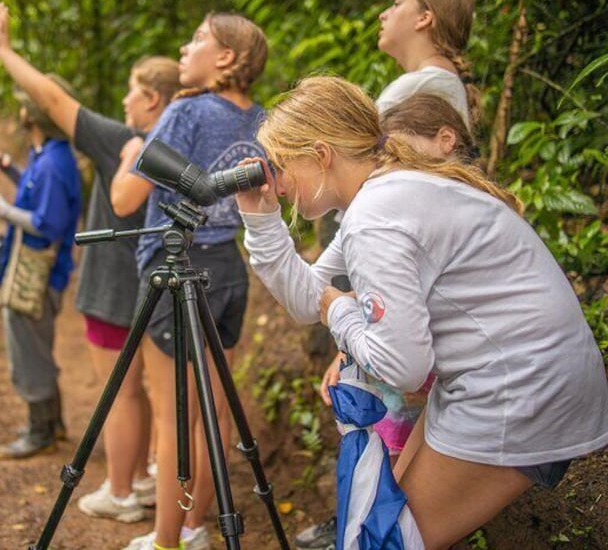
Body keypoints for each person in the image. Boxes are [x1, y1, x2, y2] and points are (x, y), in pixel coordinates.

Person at [237, 75, 608, 550]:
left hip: (521, 387)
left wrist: (342, 314)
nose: (281, 183)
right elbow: (310, 297)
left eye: (283, 166)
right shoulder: (389, 192)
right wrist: (263, 222)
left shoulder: (376, 218)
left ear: (322, 154)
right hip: (519, 375)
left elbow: (401, 366)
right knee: (385, 518)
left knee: (386, 540)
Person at [0, 3, 181, 521]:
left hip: (113, 286)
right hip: (158, 285)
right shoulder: (181, 144)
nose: (123, 99)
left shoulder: (125, 141)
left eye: (131, 90)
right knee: (139, 389)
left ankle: (120, 491)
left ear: (153, 98)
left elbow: (52, 98)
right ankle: (139, 479)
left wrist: (5, 51)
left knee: (118, 391)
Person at [110, 12, 268, 550]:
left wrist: (132, 154)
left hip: (174, 265)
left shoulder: (189, 111)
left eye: (198, 39)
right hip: (227, 266)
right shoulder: (263, 118)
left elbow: (125, 200)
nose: (184, 47)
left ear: (225, 58)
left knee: (173, 409)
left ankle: (164, 541)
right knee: (214, 408)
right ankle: (197, 526)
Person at [293, 92, 477, 550]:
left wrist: (342, 313)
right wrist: (346, 343)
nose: (389, 163)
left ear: (446, 139)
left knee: (408, 506)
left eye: (399, 149)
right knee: (398, 488)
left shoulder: (430, 204)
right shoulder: (391, 206)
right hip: (412, 366)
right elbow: (383, 296)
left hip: (432, 374)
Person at [0, 81, 82, 459]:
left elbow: (47, 222)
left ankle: (41, 433)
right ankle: (50, 424)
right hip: (32, 270)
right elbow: (37, 193)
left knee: (29, 351)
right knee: (33, 346)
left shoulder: (54, 163)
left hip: (37, 276)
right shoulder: (47, 154)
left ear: (34, 115)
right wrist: (11, 171)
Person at [376, 0, 479, 129]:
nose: (383, 15)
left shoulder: (419, 85)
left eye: (397, 4)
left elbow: (355, 146)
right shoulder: (443, 82)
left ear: (424, 18)